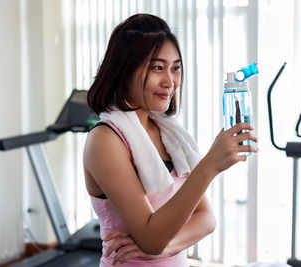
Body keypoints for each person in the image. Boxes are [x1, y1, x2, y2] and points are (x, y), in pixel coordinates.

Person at [84, 13, 257, 266]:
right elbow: (151, 237)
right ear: (125, 69)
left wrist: (156, 250)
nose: (170, 81)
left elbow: (206, 219)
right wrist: (209, 165)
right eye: (157, 67)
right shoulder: (105, 140)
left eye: (175, 68)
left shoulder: (167, 131)